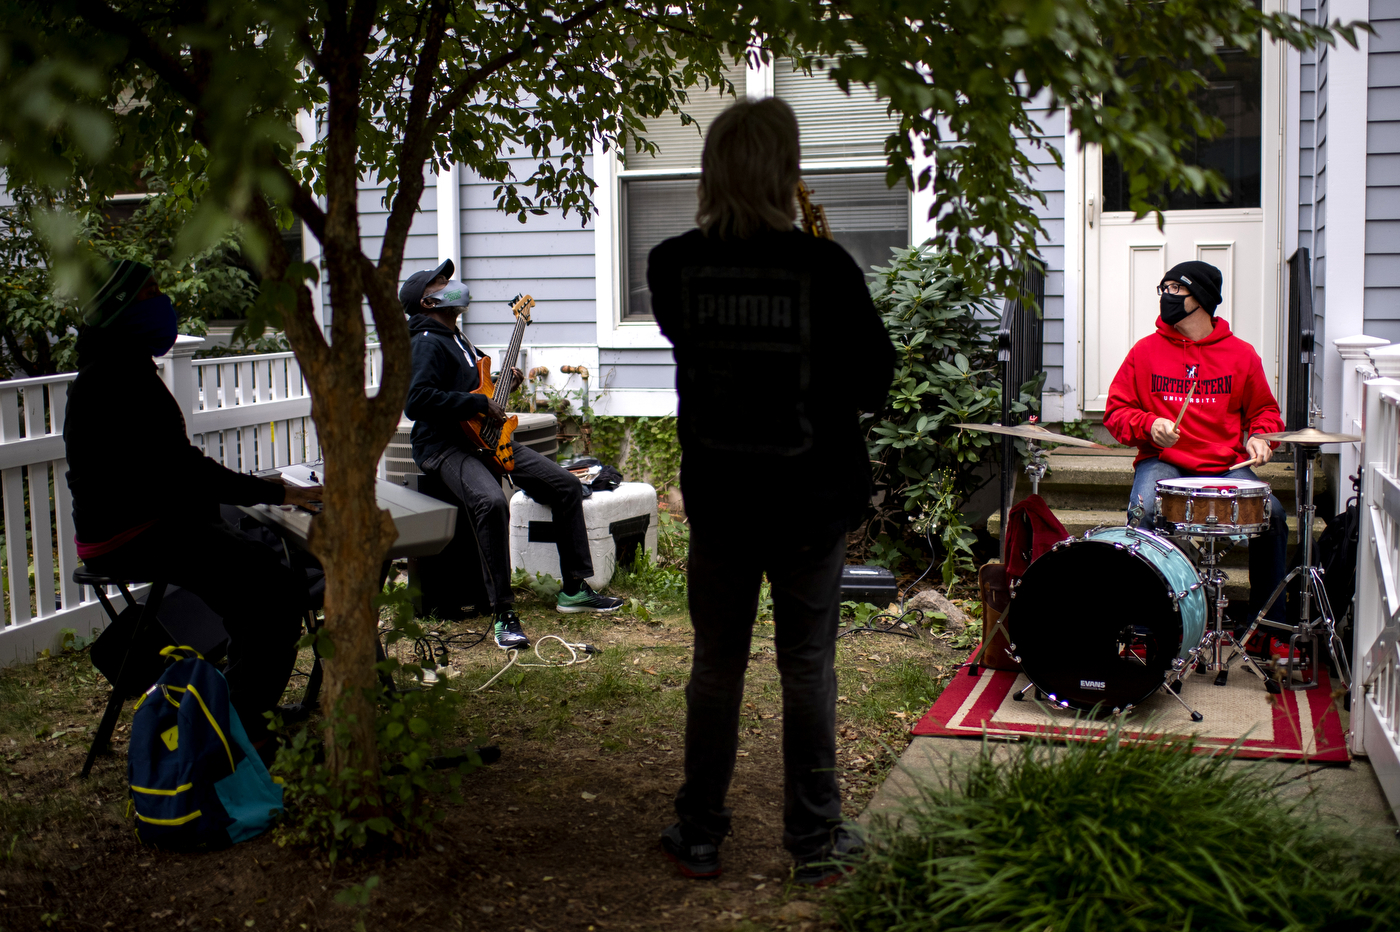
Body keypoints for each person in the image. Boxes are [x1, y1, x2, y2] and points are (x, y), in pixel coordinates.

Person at [646, 98, 896, 885]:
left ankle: (698, 833)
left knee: (716, 664)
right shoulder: (825, 268)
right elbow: (876, 383)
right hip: (809, 502)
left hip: (721, 497)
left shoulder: (670, 265)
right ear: (787, 173)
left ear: (711, 172)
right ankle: (815, 842)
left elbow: (695, 344)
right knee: (807, 667)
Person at [64, 260, 321, 747]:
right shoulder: (119, 377)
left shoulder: (116, 366)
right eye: (152, 292)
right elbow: (184, 471)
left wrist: (255, 490)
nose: (164, 301)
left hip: (133, 523)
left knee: (247, 560)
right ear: (121, 309)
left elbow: (169, 470)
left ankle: (233, 707)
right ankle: (240, 732)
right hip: (133, 534)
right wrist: (278, 492)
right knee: (275, 593)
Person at [402, 259, 624, 649]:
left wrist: (505, 383)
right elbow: (417, 402)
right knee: (491, 502)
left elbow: (480, 390)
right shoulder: (424, 342)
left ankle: (574, 589)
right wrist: (472, 402)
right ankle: (503, 613)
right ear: (427, 303)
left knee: (565, 487)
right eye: (439, 284)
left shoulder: (458, 338)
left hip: (487, 437)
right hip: (444, 445)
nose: (450, 285)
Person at [1104, 260, 1287, 626]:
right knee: (1143, 508)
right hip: (1163, 461)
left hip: (1224, 465)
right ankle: (1151, 621)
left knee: (1275, 516)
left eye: (1175, 289)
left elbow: (1265, 411)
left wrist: (1261, 436)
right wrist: (1149, 424)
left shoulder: (1242, 355)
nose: (1166, 297)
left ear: (1200, 298)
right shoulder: (1145, 352)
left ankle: (1267, 625)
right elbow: (1115, 412)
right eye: (1165, 289)